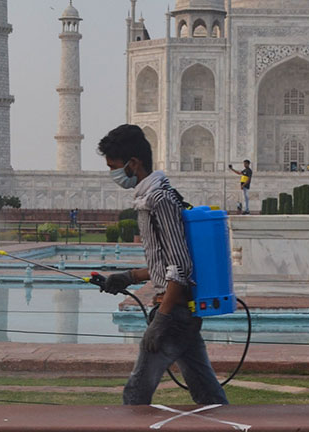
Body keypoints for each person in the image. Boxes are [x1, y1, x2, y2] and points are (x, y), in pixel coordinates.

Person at [97, 124, 227, 406]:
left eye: (114, 167)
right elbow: (165, 263)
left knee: (136, 393)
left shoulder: (160, 199)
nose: (113, 174)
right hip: (179, 311)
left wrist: (162, 320)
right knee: (207, 392)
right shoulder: (149, 198)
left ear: (134, 163)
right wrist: (129, 276)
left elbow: (180, 265)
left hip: (175, 313)